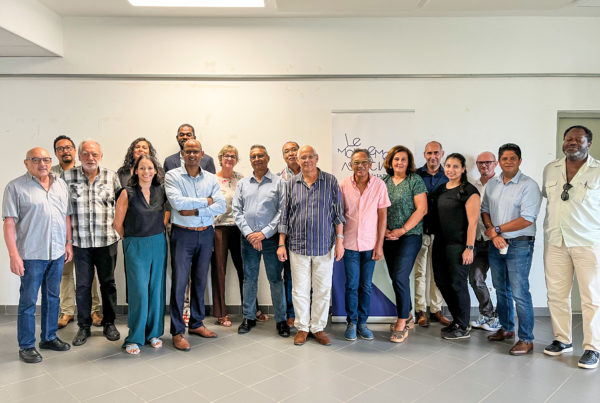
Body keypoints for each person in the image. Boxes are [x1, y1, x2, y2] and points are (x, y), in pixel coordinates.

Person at [3, 147, 73, 363]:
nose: (42, 164)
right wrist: (13, 255)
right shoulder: (15, 187)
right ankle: (26, 345)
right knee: (28, 301)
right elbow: (9, 223)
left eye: (45, 159)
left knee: (53, 297)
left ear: (51, 161)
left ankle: (49, 337)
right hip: (31, 254)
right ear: (26, 163)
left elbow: (66, 216)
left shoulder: (60, 184)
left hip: (57, 252)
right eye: (36, 160)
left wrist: (68, 243)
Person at [542, 125, 600, 369]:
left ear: (589, 144)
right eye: (568, 139)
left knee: (591, 297)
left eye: (578, 139)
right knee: (556, 295)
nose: (572, 142)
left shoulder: (598, 170)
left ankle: (592, 347)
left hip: (588, 242)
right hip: (556, 240)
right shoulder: (551, 168)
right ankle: (563, 340)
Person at [277, 145, 345, 346]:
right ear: (298, 161)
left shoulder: (330, 181)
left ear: (316, 158)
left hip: (324, 246)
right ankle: (302, 327)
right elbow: (284, 215)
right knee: (299, 290)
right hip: (298, 246)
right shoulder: (291, 184)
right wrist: (281, 243)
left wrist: (340, 242)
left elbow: (338, 215)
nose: (306, 160)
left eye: (310, 157)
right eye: (303, 157)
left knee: (323, 289)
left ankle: (318, 327)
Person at [165, 139, 226, 351]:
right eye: (188, 151)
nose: (192, 155)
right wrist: (206, 201)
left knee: (200, 280)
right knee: (180, 284)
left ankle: (197, 323)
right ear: (182, 154)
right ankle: (177, 331)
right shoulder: (172, 176)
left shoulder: (210, 178)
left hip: (206, 233)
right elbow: (178, 204)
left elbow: (221, 205)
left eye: (195, 151)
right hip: (183, 234)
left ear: (202, 154)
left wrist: (196, 209)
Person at [482, 143, 541, 356]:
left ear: (520, 161)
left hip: (519, 244)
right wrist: (494, 234)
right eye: (504, 158)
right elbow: (485, 210)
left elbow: (527, 219)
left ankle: (526, 339)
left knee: (519, 292)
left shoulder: (529, 185)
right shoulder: (492, 184)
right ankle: (507, 328)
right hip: (496, 243)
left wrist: (497, 230)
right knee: (501, 289)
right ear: (499, 162)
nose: (508, 162)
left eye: (512, 158)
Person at [63, 140, 122, 347]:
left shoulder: (111, 176)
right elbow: (63, 210)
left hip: (107, 240)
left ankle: (109, 323)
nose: (90, 158)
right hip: (80, 242)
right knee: (83, 286)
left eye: (94, 154)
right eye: (86, 154)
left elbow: (121, 205)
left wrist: (120, 232)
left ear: (101, 156)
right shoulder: (67, 177)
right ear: (79, 156)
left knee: (108, 284)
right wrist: (66, 241)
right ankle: (84, 326)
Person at [114, 155, 168, 355]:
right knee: (139, 292)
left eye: (150, 168)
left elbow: (166, 213)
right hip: (135, 244)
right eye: (142, 168)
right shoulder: (127, 193)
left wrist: (158, 230)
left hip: (158, 243)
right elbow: (117, 224)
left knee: (156, 289)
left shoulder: (161, 191)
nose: (146, 172)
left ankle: (153, 333)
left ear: (155, 171)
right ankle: (135, 337)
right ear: (135, 171)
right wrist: (129, 240)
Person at [233, 145, 289, 337]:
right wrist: (250, 234)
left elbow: (282, 211)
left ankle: (281, 320)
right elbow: (237, 211)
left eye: (260, 155)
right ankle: (249, 317)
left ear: (268, 158)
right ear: (250, 160)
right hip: (248, 239)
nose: (257, 159)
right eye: (253, 156)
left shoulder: (279, 182)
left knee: (276, 279)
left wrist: (263, 234)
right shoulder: (243, 183)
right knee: (249, 279)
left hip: (271, 239)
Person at [51, 135, 103, 329]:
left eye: (68, 148)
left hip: (84, 232)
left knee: (89, 274)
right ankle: (67, 311)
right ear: (56, 153)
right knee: (65, 273)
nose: (65, 151)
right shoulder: (51, 174)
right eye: (60, 148)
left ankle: (94, 310)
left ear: (75, 152)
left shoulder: (85, 170)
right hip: (61, 232)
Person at [210, 145, 264, 327]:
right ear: (220, 158)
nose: (229, 158)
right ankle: (221, 313)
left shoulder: (242, 179)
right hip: (219, 229)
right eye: (226, 155)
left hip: (240, 228)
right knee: (219, 270)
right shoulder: (212, 180)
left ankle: (252, 309)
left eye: (233, 156)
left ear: (237, 160)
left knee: (246, 269)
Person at [340, 149, 390, 341]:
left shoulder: (379, 185)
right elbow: (339, 215)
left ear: (370, 164)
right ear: (351, 165)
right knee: (352, 285)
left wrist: (380, 244)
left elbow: (383, 216)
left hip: (370, 245)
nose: (359, 166)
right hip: (349, 244)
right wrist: (339, 241)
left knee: (366, 286)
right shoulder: (343, 185)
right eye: (356, 162)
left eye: (363, 162)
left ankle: (362, 323)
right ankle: (351, 323)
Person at [430, 153, 480, 340]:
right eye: (448, 166)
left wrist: (469, 248)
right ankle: (457, 321)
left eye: (455, 166)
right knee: (442, 282)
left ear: (463, 169)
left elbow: (473, 223)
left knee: (458, 284)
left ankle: (463, 325)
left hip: (459, 245)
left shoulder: (469, 191)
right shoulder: (441, 189)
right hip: (440, 243)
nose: (451, 170)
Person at [382, 146, 427, 343]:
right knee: (395, 277)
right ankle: (407, 314)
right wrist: (384, 230)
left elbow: (422, 209)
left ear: (409, 163)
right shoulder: (383, 182)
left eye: (403, 159)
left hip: (410, 236)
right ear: (390, 161)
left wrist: (402, 230)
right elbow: (378, 210)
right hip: (388, 236)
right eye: (396, 159)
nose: (399, 162)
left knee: (400, 276)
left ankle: (402, 321)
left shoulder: (414, 181)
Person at [414, 141, 451, 327]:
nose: (433, 156)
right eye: (429, 153)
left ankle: (436, 309)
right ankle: (421, 310)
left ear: (442, 154)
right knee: (420, 272)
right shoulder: (416, 175)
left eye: (436, 153)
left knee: (438, 273)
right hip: (419, 231)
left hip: (441, 232)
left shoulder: (449, 175)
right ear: (425, 154)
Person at [469, 151, 501, 332]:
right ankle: (487, 313)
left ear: (495, 164)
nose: (484, 165)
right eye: (480, 162)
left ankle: (501, 318)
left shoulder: (501, 184)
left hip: (496, 240)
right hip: (477, 240)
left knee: (500, 283)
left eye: (488, 162)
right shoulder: (472, 186)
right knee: (475, 278)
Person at [278, 141, 301, 328]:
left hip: (308, 235)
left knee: (309, 277)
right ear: (283, 156)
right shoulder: (280, 178)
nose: (291, 153)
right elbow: (280, 209)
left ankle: (307, 313)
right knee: (290, 277)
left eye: (294, 149)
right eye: (287, 151)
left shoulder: (312, 174)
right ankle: (291, 313)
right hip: (288, 234)